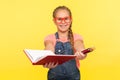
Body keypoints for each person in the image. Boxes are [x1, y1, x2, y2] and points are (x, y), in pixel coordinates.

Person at [43, 6, 87, 80]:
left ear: (71, 19)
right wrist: (46, 58)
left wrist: (82, 52)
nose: (63, 22)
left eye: (66, 18)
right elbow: (49, 47)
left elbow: (79, 45)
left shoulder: (76, 37)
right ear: (54, 21)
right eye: (59, 19)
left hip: (73, 77)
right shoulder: (49, 38)